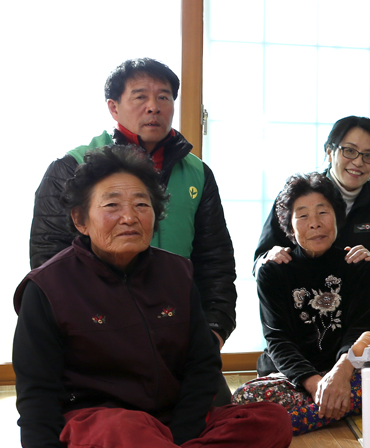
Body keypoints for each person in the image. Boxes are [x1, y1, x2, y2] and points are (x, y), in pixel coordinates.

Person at [14, 145, 293, 448]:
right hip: (93, 430)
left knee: (272, 420)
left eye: (142, 205)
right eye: (112, 205)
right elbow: (35, 396)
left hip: (166, 423)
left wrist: (176, 439)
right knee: (125, 431)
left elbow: (201, 366)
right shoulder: (47, 287)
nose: (129, 217)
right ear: (80, 220)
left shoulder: (177, 274)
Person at [30, 58, 236, 349]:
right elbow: (49, 258)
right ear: (113, 107)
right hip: (97, 334)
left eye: (163, 97)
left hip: (179, 331)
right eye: (140, 97)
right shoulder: (73, 166)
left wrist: (214, 330)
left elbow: (215, 259)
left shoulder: (198, 173)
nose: (154, 107)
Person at [232, 173, 370, 434]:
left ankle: (309, 413)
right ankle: (340, 404)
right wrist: (317, 385)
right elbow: (277, 340)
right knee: (244, 398)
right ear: (290, 227)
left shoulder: (357, 265)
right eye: (302, 216)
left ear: (337, 217)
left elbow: (360, 329)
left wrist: (340, 374)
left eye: (323, 212)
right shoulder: (274, 270)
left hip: (345, 370)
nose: (314, 223)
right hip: (295, 378)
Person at [254, 116, 370, 319]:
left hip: (363, 321)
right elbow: (261, 260)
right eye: (350, 151)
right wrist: (268, 260)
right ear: (329, 151)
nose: (358, 162)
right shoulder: (297, 197)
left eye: (369, 155)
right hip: (303, 322)